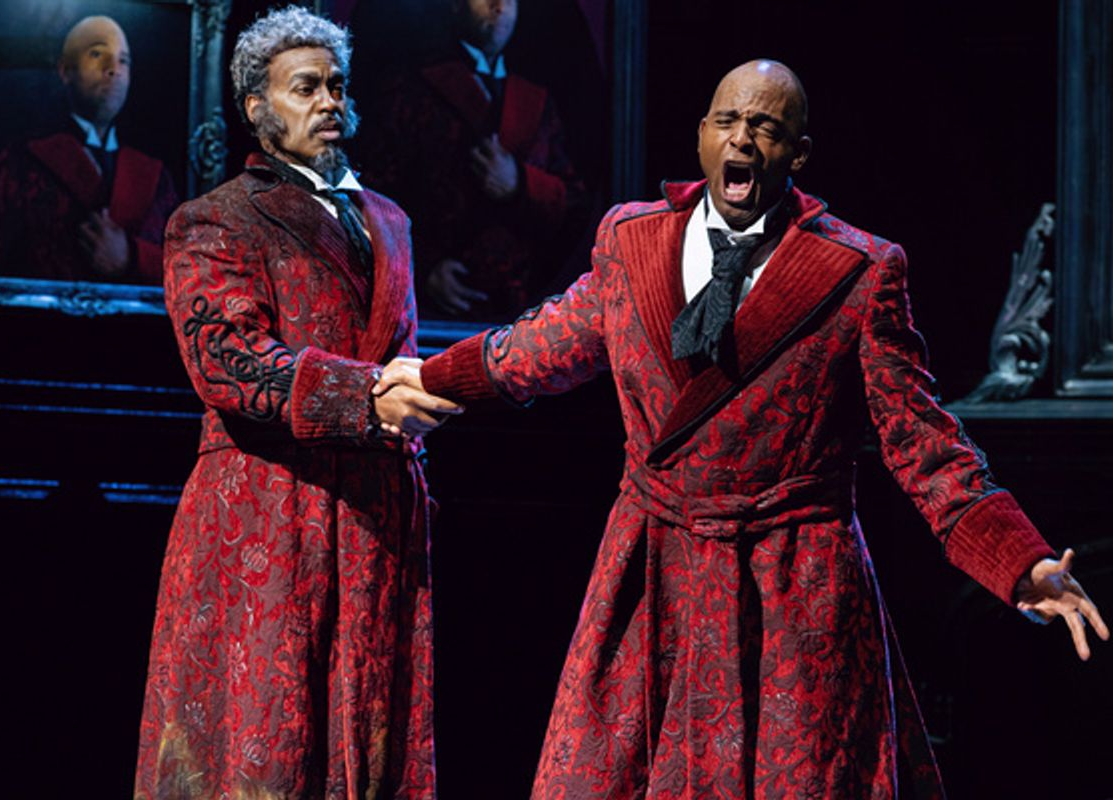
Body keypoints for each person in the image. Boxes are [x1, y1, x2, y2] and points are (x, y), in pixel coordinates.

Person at [381, 60, 1109, 798]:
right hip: (653, 571)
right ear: (701, 137)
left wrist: (1020, 561)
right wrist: (434, 378)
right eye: (729, 122)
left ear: (798, 153)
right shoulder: (631, 244)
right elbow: (544, 346)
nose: (744, 141)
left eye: (767, 128)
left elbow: (924, 443)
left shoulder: (857, 271)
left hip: (792, 588)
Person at [133, 8, 459, 798]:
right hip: (266, 506)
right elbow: (227, 360)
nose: (327, 102)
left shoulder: (390, 219)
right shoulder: (215, 219)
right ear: (258, 107)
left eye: (336, 85)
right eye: (305, 87)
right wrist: (366, 397)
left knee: (371, 726)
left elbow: (399, 348)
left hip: (375, 508)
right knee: (262, 730)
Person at [358, 0, 590, 321]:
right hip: (429, 310)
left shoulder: (539, 101)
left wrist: (519, 184)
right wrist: (421, 269)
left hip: (521, 313)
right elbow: (371, 197)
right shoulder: (410, 88)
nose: (499, 7)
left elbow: (573, 202)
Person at [0, 15, 177, 282]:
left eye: (124, 60)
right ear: (65, 71)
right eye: (97, 53)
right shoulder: (15, 163)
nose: (114, 69)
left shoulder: (158, 179)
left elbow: (189, 271)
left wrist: (130, 258)